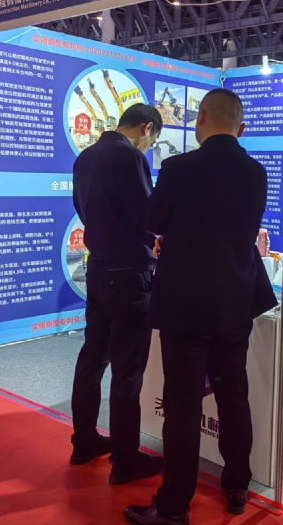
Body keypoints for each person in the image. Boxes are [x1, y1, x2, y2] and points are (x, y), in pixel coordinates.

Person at [125, 89, 277, 525]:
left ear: (201, 119)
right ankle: (237, 486)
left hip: (186, 305)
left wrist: (172, 235)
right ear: (241, 128)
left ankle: (173, 507)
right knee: (233, 395)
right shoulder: (256, 173)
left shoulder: (179, 168)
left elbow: (153, 220)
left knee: (183, 405)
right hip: (235, 301)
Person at [69, 103, 164, 486]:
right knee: (128, 370)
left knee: (92, 357)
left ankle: (84, 441)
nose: (148, 147)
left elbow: (81, 209)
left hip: (98, 269)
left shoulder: (85, 158)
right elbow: (148, 216)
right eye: (151, 141)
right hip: (130, 273)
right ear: (147, 128)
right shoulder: (130, 157)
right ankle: (125, 460)